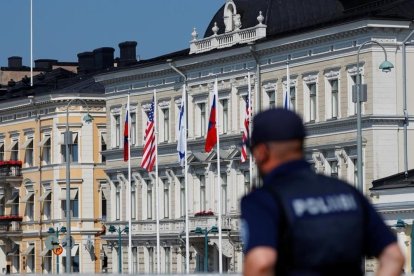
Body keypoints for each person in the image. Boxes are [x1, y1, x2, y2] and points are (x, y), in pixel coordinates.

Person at [241, 108, 404, 276]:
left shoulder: (264, 200)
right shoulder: (347, 192)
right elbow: (393, 256)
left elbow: (261, 263)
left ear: (261, 152)